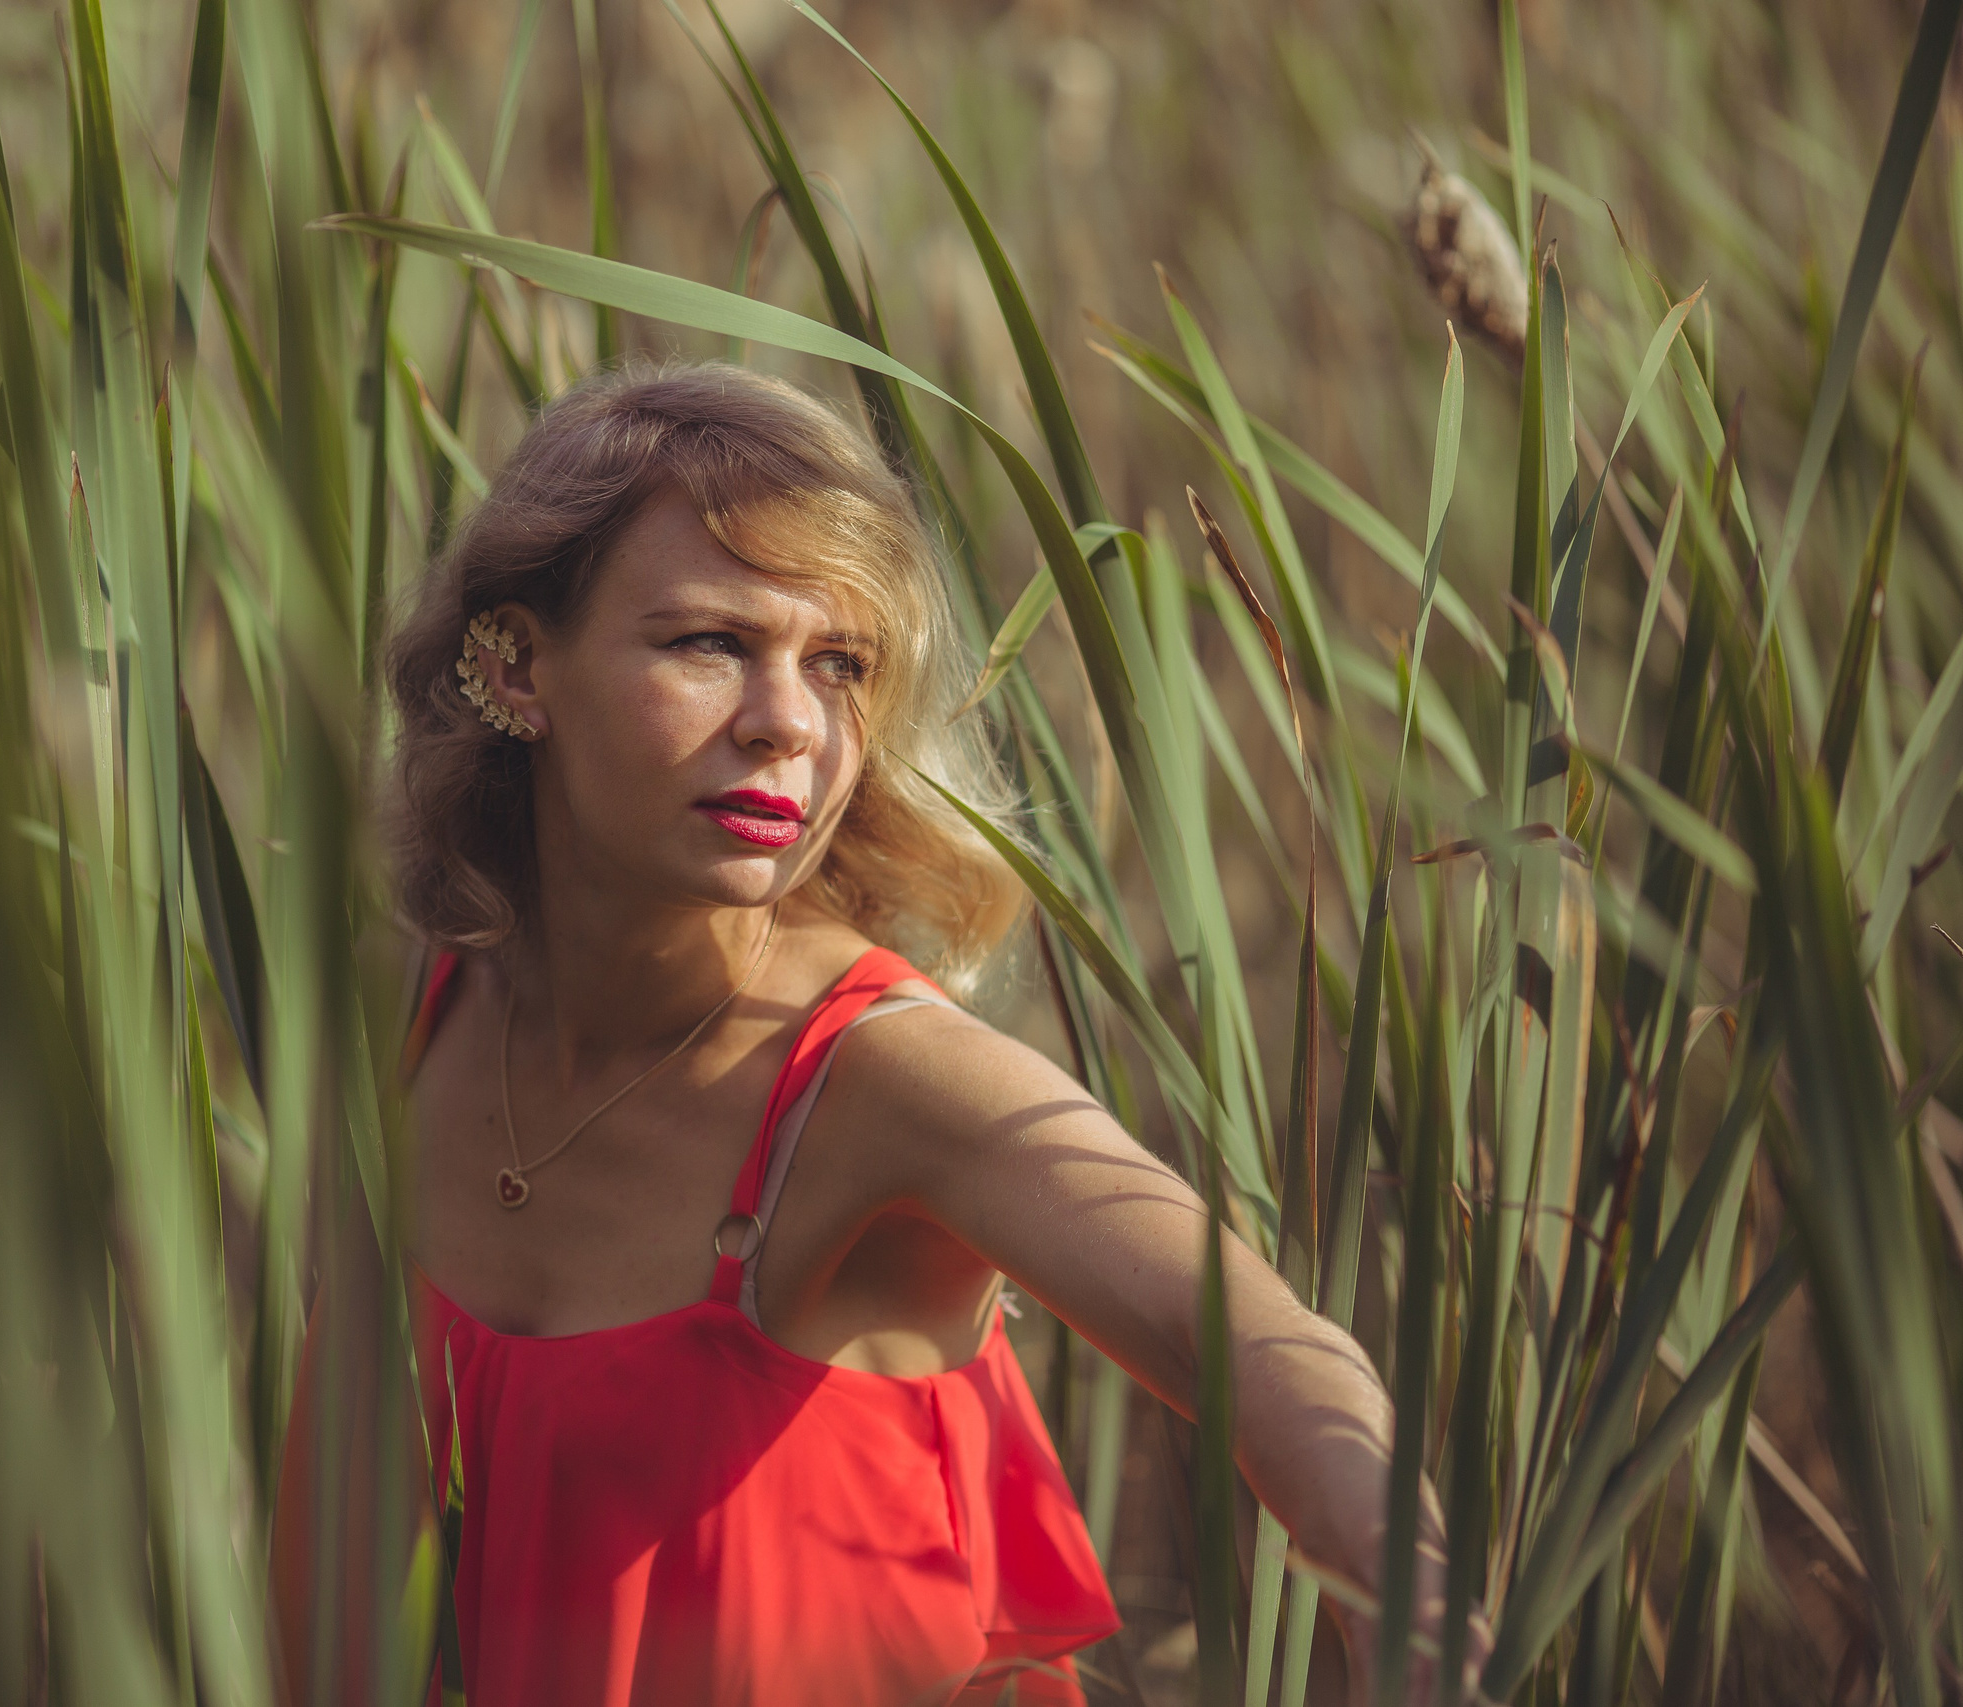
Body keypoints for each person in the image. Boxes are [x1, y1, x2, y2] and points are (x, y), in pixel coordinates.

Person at [280, 363, 1464, 1705]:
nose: (787, 721)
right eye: (709, 643)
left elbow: (1248, 1342)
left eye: (839, 664)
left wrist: (1405, 1590)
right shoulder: (401, 1013)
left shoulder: (883, 1081)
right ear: (514, 662)